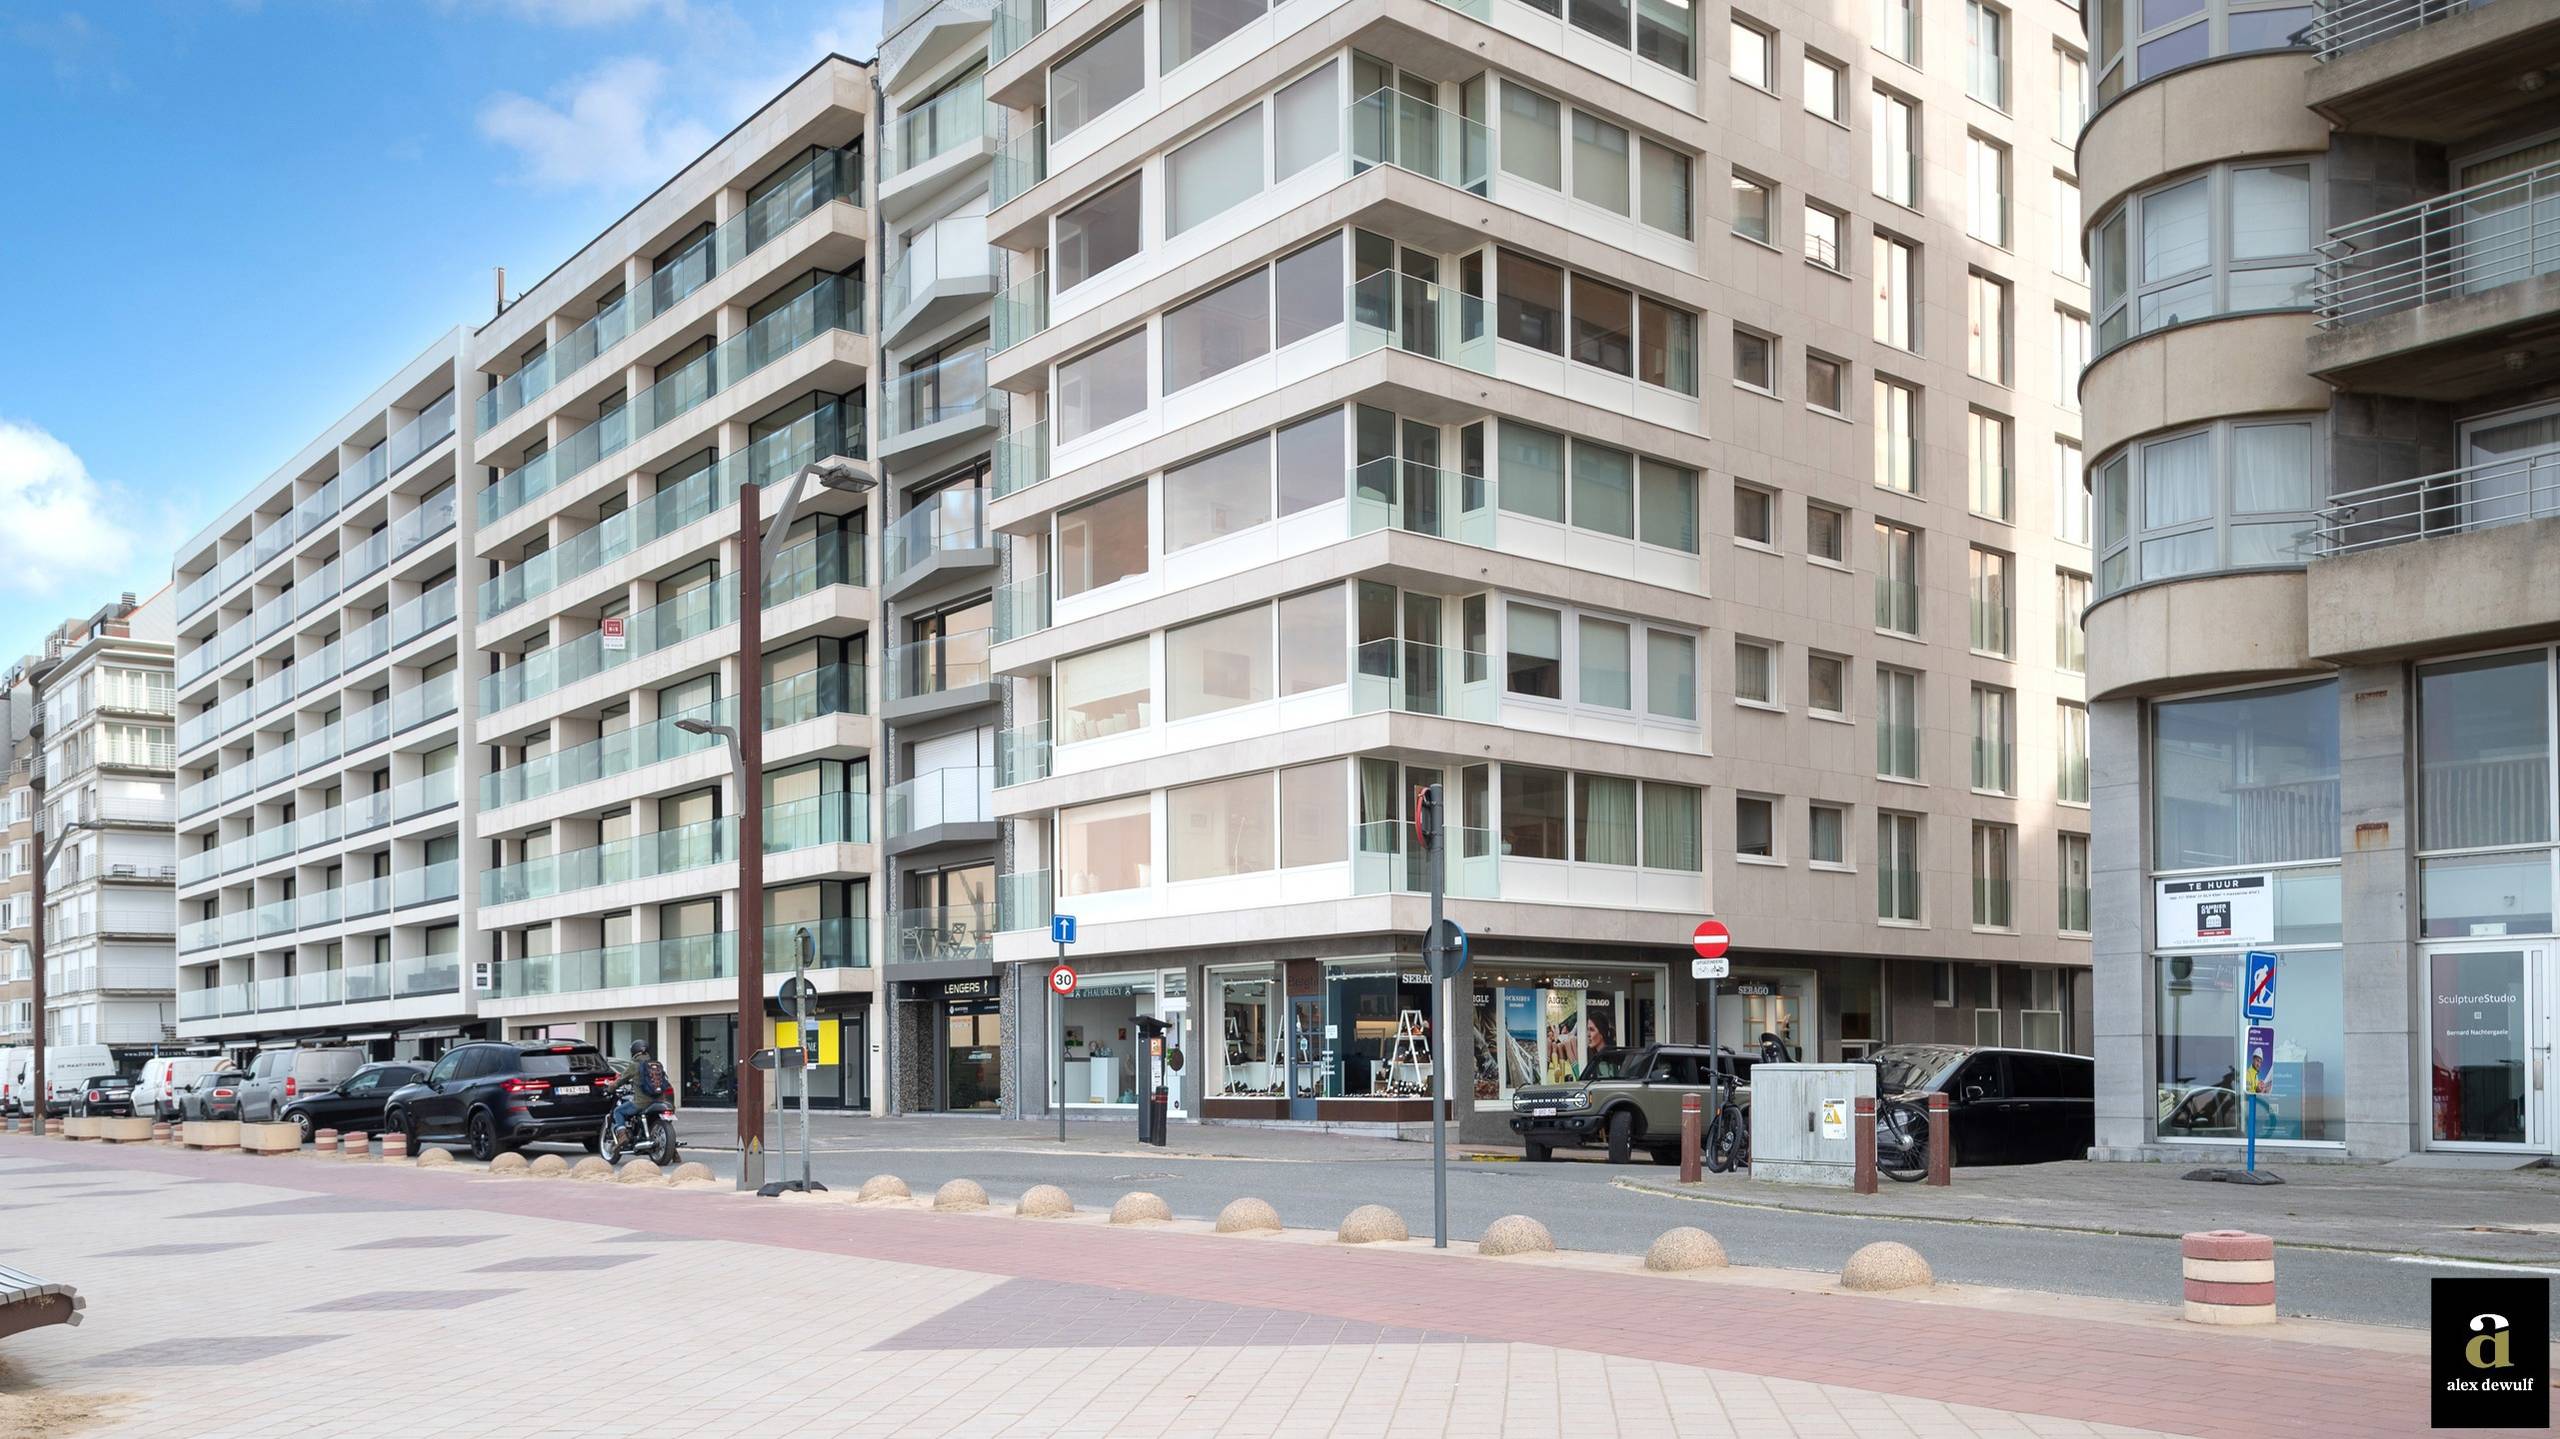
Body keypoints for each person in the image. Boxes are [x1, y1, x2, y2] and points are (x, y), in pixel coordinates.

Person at [611, 1042, 672, 1145]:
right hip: (660, 1100)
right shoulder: (656, 1064)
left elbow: (621, 1080)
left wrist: (610, 1088)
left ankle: (622, 1137)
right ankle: (673, 1151)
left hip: (642, 1102)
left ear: (634, 1051)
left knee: (618, 1111)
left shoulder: (634, 1065)